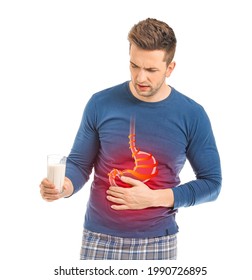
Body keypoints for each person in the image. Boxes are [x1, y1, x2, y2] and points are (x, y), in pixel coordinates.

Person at [40, 18, 222, 260]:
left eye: (151, 70)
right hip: (98, 238)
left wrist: (154, 198)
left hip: (159, 241)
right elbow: (80, 164)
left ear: (170, 68)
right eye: (134, 66)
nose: (140, 78)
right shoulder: (100, 103)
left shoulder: (192, 114)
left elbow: (212, 183)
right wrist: (64, 187)